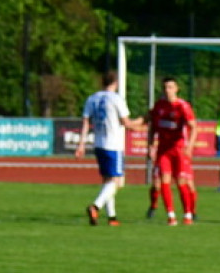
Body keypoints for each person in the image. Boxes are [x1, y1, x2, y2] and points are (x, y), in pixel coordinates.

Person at [75, 71, 146, 226]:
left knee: (107, 180)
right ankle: (95, 206)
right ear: (116, 82)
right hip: (113, 145)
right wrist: (142, 121)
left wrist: (81, 145)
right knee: (118, 182)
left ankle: (112, 217)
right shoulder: (116, 99)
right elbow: (126, 123)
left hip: (98, 144)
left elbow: (86, 122)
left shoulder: (92, 98)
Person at [148, 76, 198, 226]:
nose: (167, 90)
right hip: (163, 149)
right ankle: (171, 215)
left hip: (178, 149)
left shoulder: (182, 106)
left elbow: (194, 127)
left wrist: (189, 147)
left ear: (176, 89)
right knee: (164, 181)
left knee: (182, 182)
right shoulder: (159, 106)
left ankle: (188, 214)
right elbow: (152, 127)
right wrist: (151, 145)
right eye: (165, 88)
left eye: (170, 87)